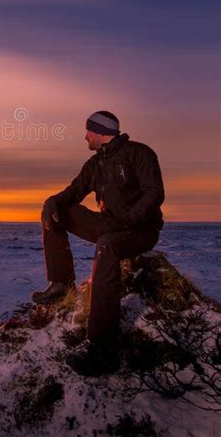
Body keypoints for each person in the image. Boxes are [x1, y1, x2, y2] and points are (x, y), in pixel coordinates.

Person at [32, 111, 165, 376]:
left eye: (88, 131)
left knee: (107, 246)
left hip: (140, 229)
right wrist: (53, 200)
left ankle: (103, 349)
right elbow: (74, 192)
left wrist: (127, 220)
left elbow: (154, 193)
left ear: (100, 132)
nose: (85, 136)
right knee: (58, 211)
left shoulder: (139, 154)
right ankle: (61, 283)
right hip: (109, 225)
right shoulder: (95, 164)